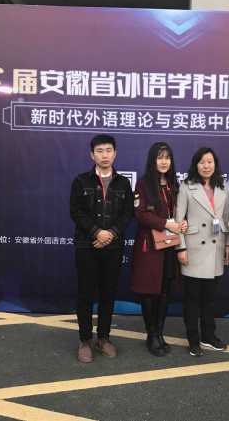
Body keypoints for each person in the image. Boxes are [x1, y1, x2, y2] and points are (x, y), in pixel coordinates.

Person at [69, 134, 134, 363]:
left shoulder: (123, 183)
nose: (104, 155)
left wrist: (110, 234)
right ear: (92, 155)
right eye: (99, 151)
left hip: (113, 247)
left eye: (108, 150)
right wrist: (97, 232)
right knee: (85, 294)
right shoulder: (81, 181)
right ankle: (85, 340)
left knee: (108, 293)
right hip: (87, 245)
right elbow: (76, 212)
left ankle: (103, 338)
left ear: (115, 154)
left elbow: (127, 213)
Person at [130, 142, 187, 357]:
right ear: (152, 160)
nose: (164, 162)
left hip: (169, 246)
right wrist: (166, 224)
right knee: (149, 290)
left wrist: (182, 224)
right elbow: (141, 214)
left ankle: (160, 332)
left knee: (164, 290)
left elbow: (180, 212)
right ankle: (151, 334)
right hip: (150, 246)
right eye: (160, 157)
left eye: (167, 157)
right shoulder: (143, 184)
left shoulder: (174, 185)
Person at [175, 147, 229, 356]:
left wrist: (228, 245)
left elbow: (226, 218)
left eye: (210, 162)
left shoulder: (222, 187)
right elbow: (178, 220)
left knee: (210, 299)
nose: (206, 166)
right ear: (195, 165)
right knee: (192, 299)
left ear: (215, 164)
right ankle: (193, 340)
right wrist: (180, 247)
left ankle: (208, 336)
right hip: (193, 249)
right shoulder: (186, 187)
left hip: (216, 248)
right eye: (202, 162)